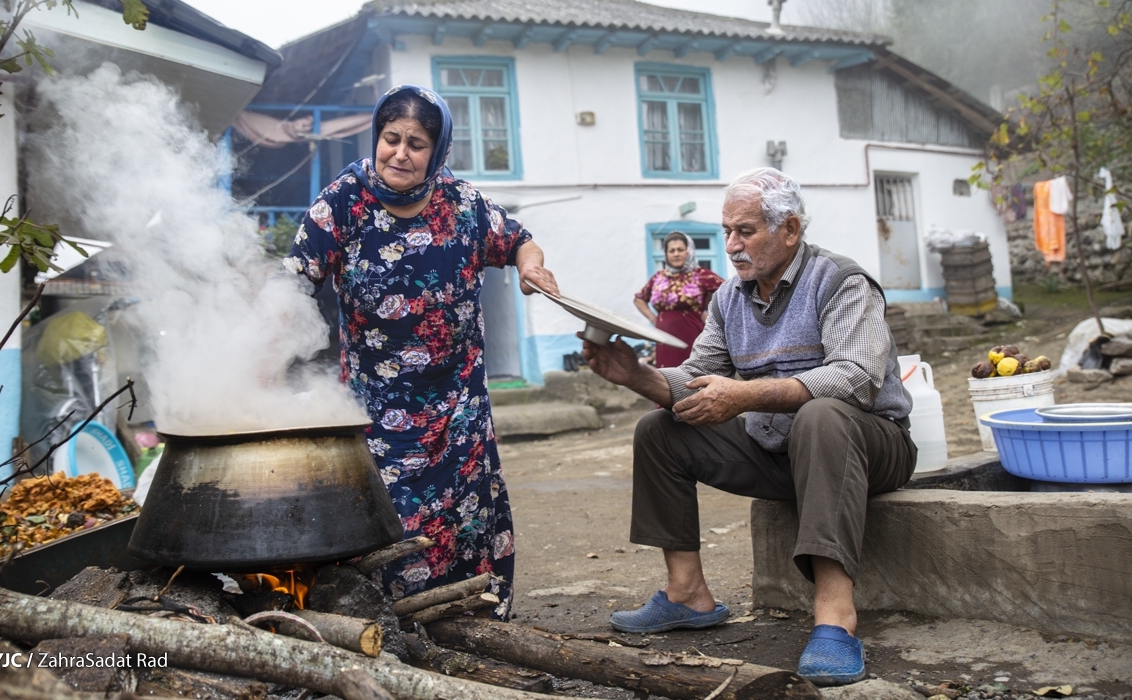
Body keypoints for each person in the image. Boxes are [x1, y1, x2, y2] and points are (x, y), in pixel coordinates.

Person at [582, 167, 915, 686]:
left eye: (746, 231)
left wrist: (748, 395)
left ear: (790, 230)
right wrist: (637, 376)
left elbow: (856, 379)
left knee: (821, 414)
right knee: (659, 430)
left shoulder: (842, 282)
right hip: (782, 450)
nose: (732, 246)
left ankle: (835, 616)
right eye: (727, 232)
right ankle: (687, 594)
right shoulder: (730, 298)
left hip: (871, 448)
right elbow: (695, 378)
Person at [285, 85, 558, 620]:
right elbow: (293, 284)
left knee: (466, 519)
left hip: (460, 404)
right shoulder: (343, 202)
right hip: (377, 411)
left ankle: (472, 623)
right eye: (391, 139)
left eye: (416, 143)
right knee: (393, 526)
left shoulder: (464, 204)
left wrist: (530, 266)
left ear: (438, 152)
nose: (400, 154)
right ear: (376, 138)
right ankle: (396, 630)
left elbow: (522, 239)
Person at [633, 232, 724, 367]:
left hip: (691, 335)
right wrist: (653, 319)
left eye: (680, 250)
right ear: (666, 254)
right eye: (672, 250)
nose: (676, 254)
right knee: (665, 379)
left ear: (688, 251)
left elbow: (728, 291)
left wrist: (710, 314)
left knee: (690, 376)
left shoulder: (701, 275)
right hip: (663, 337)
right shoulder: (659, 277)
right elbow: (639, 299)